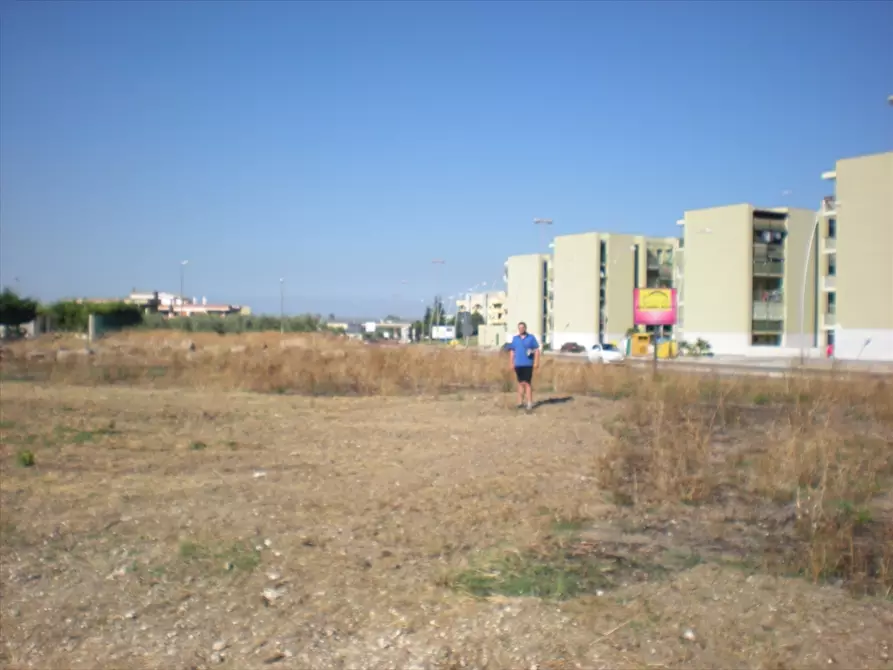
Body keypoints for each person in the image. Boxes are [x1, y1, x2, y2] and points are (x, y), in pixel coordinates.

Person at [508, 321, 540, 410]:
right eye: (519, 328)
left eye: (522, 327)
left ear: (525, 328)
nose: (521, 329)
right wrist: (511, 362)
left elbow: (537, 350)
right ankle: (520, 402)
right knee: (520, 383)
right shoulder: (515, 339)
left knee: (527, 383)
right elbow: (512, 351)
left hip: (528, 364)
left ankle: (529, 402)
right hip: (518, 364)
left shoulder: (531, 338)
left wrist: (536, 362)